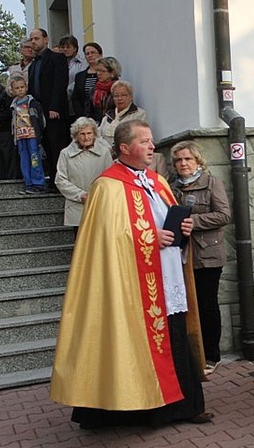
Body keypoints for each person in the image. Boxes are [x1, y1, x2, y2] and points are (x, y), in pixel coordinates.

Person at [50, 119, 212, 429]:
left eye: (152, 141)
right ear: (125, 148)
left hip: (167, 276)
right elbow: (104, 240)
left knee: (174, 335)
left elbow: (168, 221)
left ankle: (184, 405)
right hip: (130, 285)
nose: (152, 146)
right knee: (131, 342)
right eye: (145, 141)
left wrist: (184, 230)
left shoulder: (158, 182)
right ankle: (136, 409)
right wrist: (151, 237)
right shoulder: (106, 186)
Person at [170, 141, 231, 375]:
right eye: (179, 160)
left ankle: (212, 355)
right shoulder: (171, 186)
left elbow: (224, 215)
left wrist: (193, 222)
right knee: (184, 305)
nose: (183, 163)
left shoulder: (212, 183)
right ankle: (191, 353)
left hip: (207, 254)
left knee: (207, 305)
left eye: (188, 159)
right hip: (181, 255)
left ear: (197, 161)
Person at [54, 117, 113, 231]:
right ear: (76, 136)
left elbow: (110, 178)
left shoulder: (104, 152)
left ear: (94, 134)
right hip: (76, 206)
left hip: (99, 204)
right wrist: (81, 195)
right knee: (80, 244)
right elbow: (60, 180)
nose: (86, 137)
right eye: (82, 134)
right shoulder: (65, 154)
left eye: (89, 133)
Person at [27, 28, 69, 183]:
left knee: (57, 146)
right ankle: (52, 179)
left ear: (46, 39)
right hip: (39, 113)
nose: (33, 42)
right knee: (46, 146)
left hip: (53, 111)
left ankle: (62, 180)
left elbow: (60, 83)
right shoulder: (32, 65)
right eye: (31, 39)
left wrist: (54, 107)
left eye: (36, 38)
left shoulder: (57, 58)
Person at [9, 74, 46, 194]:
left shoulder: (33, 103)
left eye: (22, 87)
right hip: (20, 136)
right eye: (17, 88)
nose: (20, 90)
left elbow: (41, 120)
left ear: (26, 87)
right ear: (12, 90)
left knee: (35, 158)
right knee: (24, 160)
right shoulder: (13, 105)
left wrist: (39, 133)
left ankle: (38, 183)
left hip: (32, 135)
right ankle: (28, 183)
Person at [99, 80, 147, 147]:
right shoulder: (107, 117)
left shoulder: (139, 114)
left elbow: (140, 138)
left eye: (124, 95)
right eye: (116, 96)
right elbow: (98, 137)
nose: (120, 98)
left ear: (131, 97)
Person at [58, 35, 87, 124]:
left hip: (75, 102)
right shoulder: (57, 63)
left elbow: (79, 81)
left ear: (75, 48)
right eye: (63, 47)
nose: (65, 49)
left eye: (68, 47)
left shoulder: (82, 63)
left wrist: (65, 92)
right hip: (61, 105)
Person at [72, 42, 103, 119]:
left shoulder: (106, 74)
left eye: (93, 52)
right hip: (85, 115)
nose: (90, 55)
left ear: (100, 54)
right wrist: (81, 116)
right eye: (87, 53)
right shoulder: (79, 76)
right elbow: (75, 98)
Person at [86, 56, 120, 123]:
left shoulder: (119, 88)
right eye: (97, 70)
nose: (99, 73)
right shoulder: (94, 90)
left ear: (112, 73)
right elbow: (88, 112)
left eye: (103, 71)